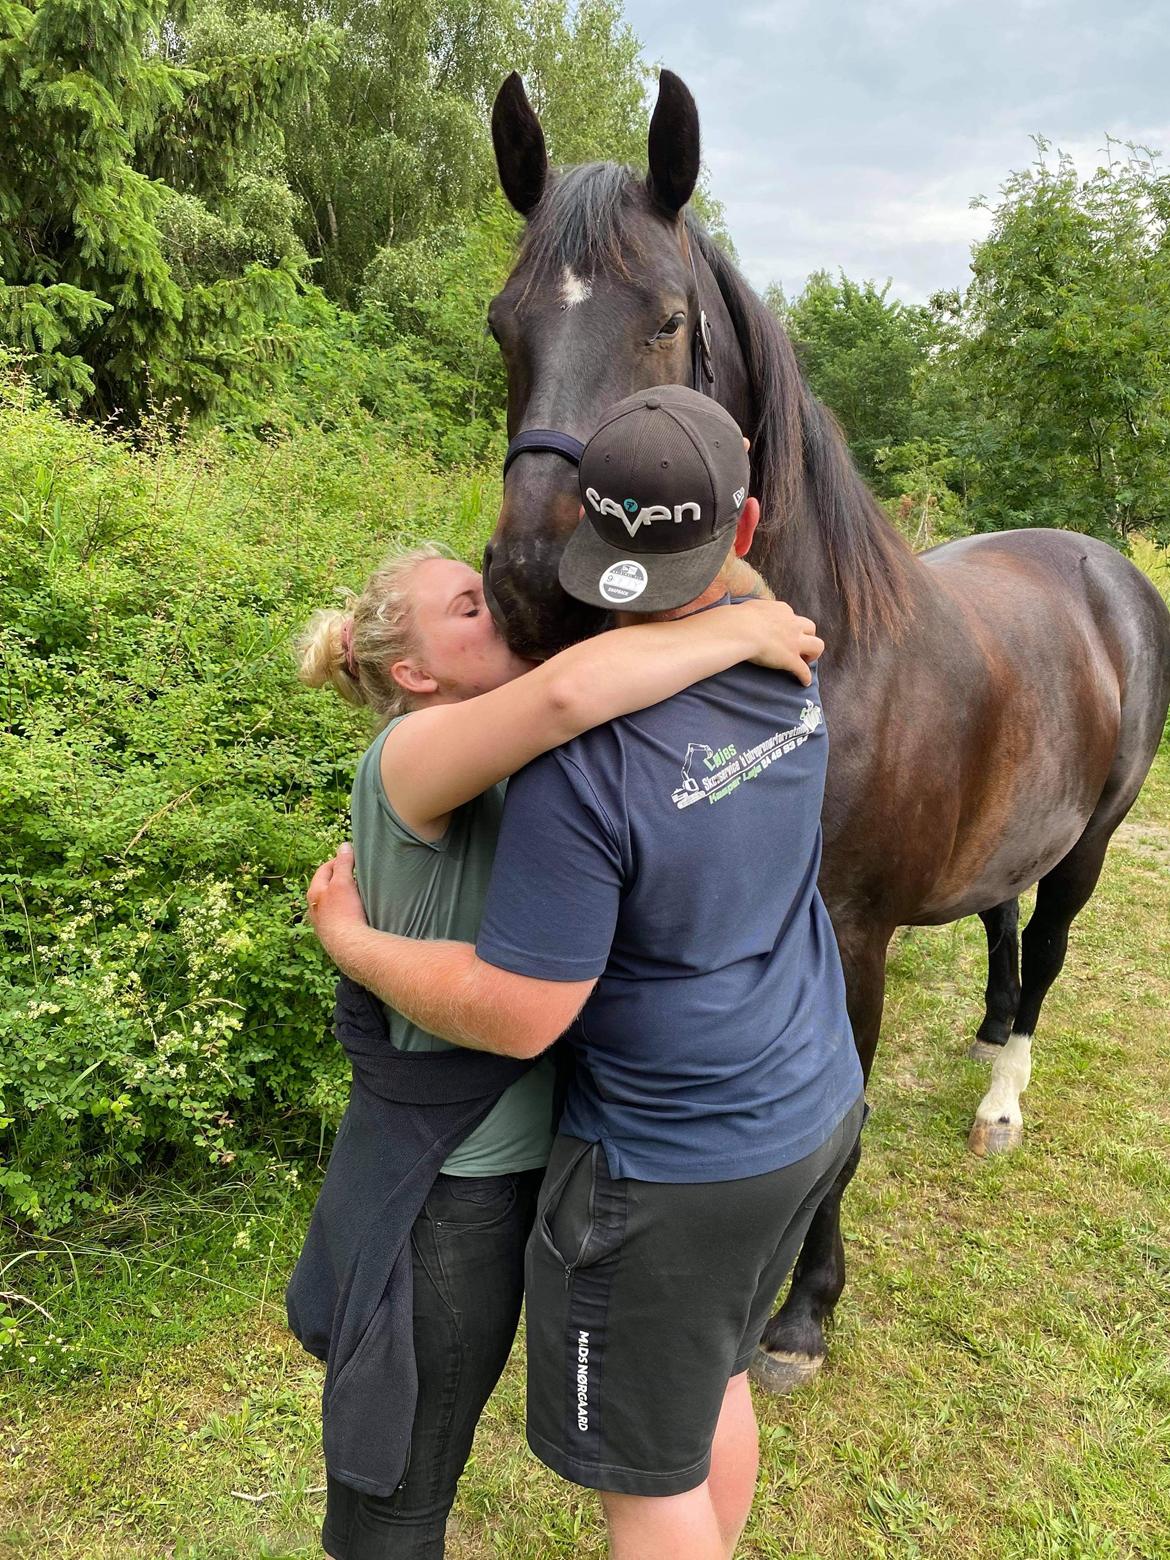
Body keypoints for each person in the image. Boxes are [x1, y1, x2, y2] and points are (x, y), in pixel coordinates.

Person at [307, 386, 866, 1560]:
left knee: (670, 1421)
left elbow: (592, 690)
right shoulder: (418, 753)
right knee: (405, 1460)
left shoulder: (564, 747)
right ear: (408, 673)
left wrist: (709, 593)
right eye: (465, 601)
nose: (499, 590)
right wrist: (731, 618)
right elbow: (572, 689)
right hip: (464, 1167)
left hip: (587, 1148)